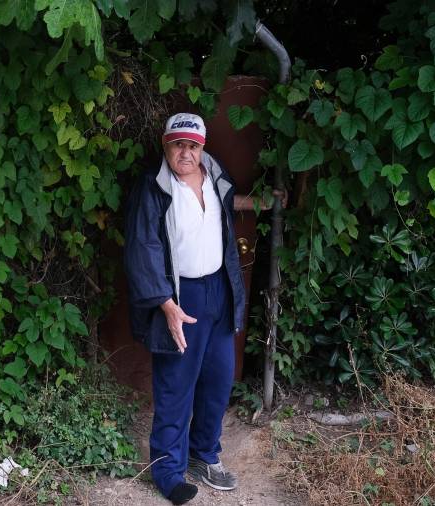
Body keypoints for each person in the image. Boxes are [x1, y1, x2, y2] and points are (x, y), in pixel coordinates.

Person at [124, 112, 280, 505]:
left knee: (218, 378)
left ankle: (203, 455)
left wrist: (260, 203)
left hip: (219, 290)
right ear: (166, 145)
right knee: (176, 385)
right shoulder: (154, 187)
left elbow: (225, 205)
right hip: (180, 297)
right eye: (179, 144)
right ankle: (167, 470)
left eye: (193, 145)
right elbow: (143, 249)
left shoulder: (213, 173)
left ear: (203, 147)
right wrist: (166, 306)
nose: (186, 152)